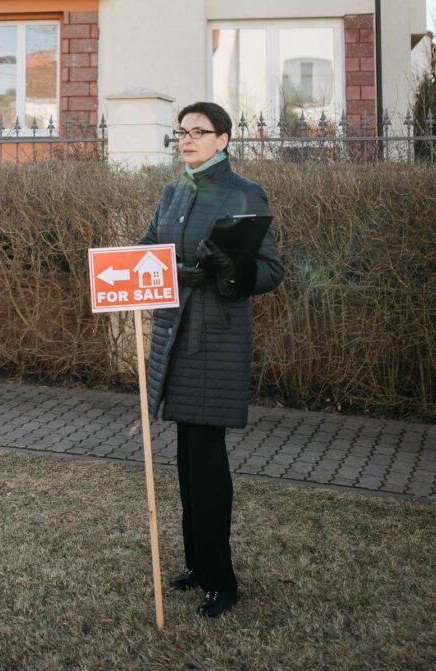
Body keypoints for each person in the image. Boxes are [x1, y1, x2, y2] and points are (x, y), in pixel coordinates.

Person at [139, 101, 283, 618]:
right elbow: (144, 254)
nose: (187, 140)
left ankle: (223, 580)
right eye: (181, 132)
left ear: (223, 139)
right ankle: (198, 565)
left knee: (207, 463)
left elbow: (270, 271)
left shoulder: (244, 192)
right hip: (174, 341)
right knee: (186, 464)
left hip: (215, 346)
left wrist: (229, 270)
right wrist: (175, 272)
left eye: (199, 132)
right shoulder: (173, 192)